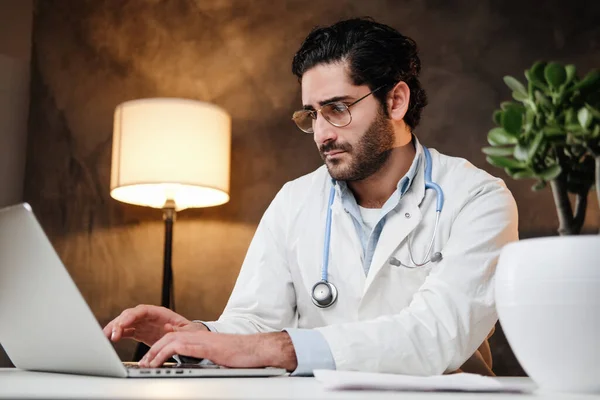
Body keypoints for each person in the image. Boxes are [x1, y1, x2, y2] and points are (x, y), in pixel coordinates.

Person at [104, 17, 518, 377]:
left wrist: (285, 348)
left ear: (396, 100)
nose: (322, 134)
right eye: (312, 114)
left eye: (337, 108)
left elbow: (437, 335)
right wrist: (200, 337)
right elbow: (254, 321)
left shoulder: (478, 199)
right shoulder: (294, 200)